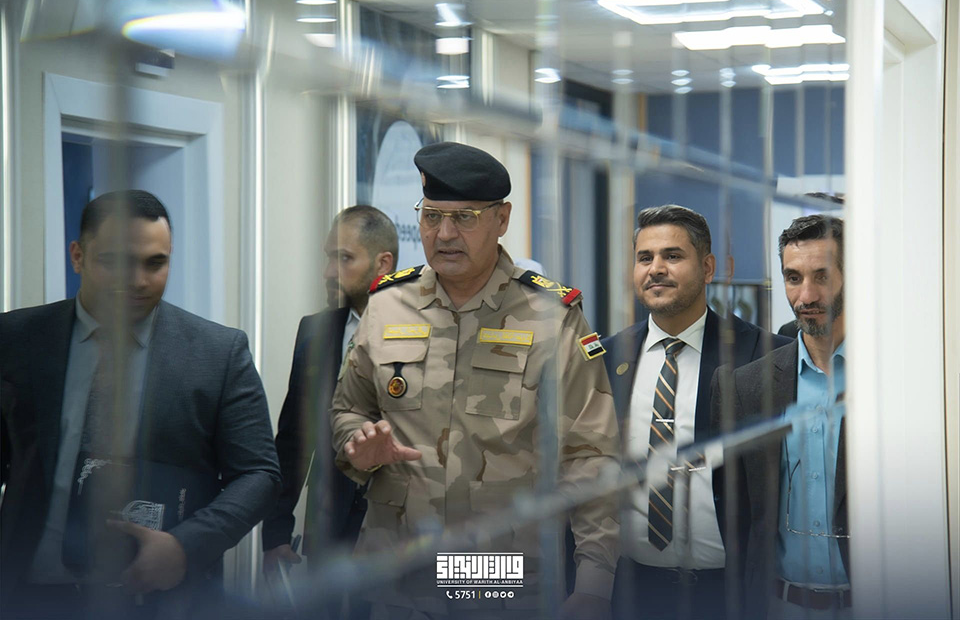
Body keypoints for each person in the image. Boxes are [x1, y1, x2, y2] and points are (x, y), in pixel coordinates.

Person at [330, 141, 620, 619]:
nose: (444, 234)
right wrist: (357, 444)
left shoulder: (551, 316)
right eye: (432, 216)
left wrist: (594, 583)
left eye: (464, 217)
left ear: (502, 219)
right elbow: (348, 408)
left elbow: (591, 454)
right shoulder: (386, 306)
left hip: (500, 571)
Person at [0, 190, 281, 619]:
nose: (136, 280)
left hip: (163, 599)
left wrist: (186, 546)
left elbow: (259, 474)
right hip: (31, 594)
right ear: (77, 256)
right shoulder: (16, 339)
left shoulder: (217, 353)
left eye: (154, 263)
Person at [601, 205, 790, 620]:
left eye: (672, 256)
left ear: (707, 268)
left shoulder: (765, 355)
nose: (656, 268)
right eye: (645, 257)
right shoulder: (608, 357)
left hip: (729, 593)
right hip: (630, 589)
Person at [711, 215, 849, 619]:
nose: (806, 295)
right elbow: (737, 515)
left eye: (822, 276)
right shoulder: (746, 387)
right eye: (793, 278)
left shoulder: (893, 381)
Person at [261, 207, 397, 603]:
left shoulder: (424, 329)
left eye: (344, 258)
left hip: (396, 530)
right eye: (328, 258)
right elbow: (293, 438)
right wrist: (275, 532)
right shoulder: (315, 331)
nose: (329, 272)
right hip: (328, 529)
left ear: (382, 263)